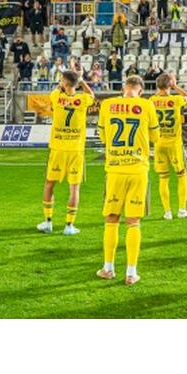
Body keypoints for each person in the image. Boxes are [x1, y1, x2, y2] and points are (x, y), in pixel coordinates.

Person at [95, 76, 159, 286]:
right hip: (138, 168)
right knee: (133, 222)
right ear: (140, 90)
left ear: (124, 88)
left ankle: (108, 268)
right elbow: (155, 138)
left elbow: (103, 137)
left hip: (115, 169)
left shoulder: (108, 105)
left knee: (112, 219)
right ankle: (131, 272)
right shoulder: (147, 105)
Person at [36, 71, 96, 236]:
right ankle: (69, 225)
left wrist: (65, 83)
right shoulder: (83, 99)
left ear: (63, 83)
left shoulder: (56, 96)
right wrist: (81, 81)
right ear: (76, 84)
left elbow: (58, 89)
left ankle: (48, 222)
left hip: (57, 147)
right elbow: (91, 94)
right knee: (74, 188)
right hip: (76, 149)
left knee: (49, 184)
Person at [150, 73, 187, 220]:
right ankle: (182, 209)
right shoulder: (175, 99)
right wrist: (175, 86)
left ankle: (167, 212)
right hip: (174, 143)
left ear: (157, 85)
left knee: (163, 178)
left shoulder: (151, 101)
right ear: (170, 85)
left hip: (158, 143)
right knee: (182, 176)